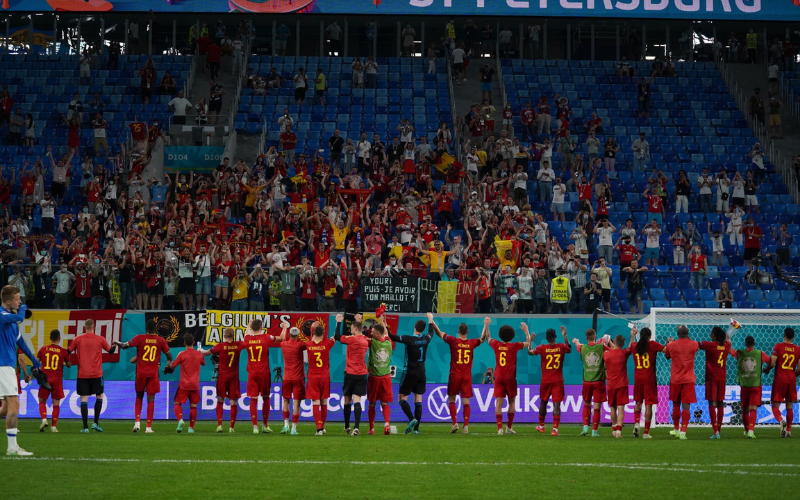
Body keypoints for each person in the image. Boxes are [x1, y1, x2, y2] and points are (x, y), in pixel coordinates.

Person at [0, 286, 41, 455]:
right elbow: (20, 317)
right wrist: (23, 309)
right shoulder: (2, 315)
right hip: (3, 365)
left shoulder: (12, 322)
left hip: (7, 365)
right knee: (14, 404)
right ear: (8, 301)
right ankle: (12, 448)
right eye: (18, 299)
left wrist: (35, 361)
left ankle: (12, 447)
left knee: (4, 409)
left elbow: (22, 343)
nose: (20, 302)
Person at [430, 318, 487, 434]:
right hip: (466, 376)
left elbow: (438, 332)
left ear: (458, 331)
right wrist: (485, 325)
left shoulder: (453, 341)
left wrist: (431, 320)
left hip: (454, 375)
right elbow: (483, 338)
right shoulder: (471, 343)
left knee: (452, 399)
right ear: (467, 332)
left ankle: (455, 423)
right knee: (466, 401)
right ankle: (465, 426)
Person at [115, 319, 171, 433]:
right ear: (156, 329)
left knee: (139, 396)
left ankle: (137, 423)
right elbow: (168, 355)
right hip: (153, 374)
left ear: (146, 328)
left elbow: (125, 346)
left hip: (140, 373)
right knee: (151, 399)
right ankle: (148, 427)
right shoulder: (160, 340)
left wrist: (117, 342)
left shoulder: (139, 338)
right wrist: (169, 363)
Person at [68, 318, 117, 433]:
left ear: (85, 327)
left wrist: (67, 361)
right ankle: (95, 423)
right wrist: (114, 345)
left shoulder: (77, 339)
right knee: (99, 396)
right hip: (96, 374)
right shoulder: (100, 339)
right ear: (94, 327)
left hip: (82, 374)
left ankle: (85, 427)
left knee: (83, 399)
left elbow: (68, 351)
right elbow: (111, 351)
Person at [389, 314, 436, 434]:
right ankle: (416, 429)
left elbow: (392, 337)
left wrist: (385, 325)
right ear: (423, 329)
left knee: (401, 398)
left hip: (409, 372)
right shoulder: (426, 339)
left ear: (415, 327)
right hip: (421, 372)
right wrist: (430, 318)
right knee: (418, 399)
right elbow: (432, 332)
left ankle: (412, 419)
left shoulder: (409, 339)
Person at [485, 320, 530, 435]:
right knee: (512, 402)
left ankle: (499, 428)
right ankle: (509, 427)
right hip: (510, 378)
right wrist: (526, 330)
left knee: (499, 403)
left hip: (499, 377)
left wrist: (486, 324)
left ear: (500, 335)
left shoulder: (496, 344)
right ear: (512, 335)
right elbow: (528, 342)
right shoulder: (514, 346)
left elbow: (488, 337)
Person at [529, 326, 571, 436]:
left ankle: (542, 426)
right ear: (555, 336)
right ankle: (555, 429)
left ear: (546, 338)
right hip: (558, 380)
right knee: (556, 405)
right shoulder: (561, 346)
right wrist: (565, 336)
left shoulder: (542, 347)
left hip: (546, 380)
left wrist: (530, 341)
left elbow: (529, 352)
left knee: (543, 402)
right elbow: (569, 349)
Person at [244, 319, 284, 434]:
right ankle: (265, 425)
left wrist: (248, 325)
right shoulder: (266, 337)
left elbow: (246, 334)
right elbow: (281, 338)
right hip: (264, 373)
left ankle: (255, 426)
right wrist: (285, 328)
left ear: (252, 328)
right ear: (261, 327)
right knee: (266, 397)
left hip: (252, 373)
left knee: (253, 399)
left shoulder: (247, 339)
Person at [334, 313, 370, 436]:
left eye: (351, 329)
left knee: (347, 399)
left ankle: (346, 426)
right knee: (357, 400)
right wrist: (358, 320)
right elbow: (363, 332)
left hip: (350, 373)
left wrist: (338, 321)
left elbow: (337, 336)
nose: (350, 331)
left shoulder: (352, 339)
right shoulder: (365, 340)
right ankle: (356, 427)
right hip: (362, 374)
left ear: (355, 329)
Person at [663, 325, 700, 439]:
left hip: (675, 379)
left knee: (675, 404)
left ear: (678, 334)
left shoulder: (671, 345)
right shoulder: (694, 344)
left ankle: (676, 429)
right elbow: (690, 343)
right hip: (688, 379)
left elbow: (667, 356)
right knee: (686, 406)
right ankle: (683, 431)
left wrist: (668, 342)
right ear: (687, 333)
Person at [729, 335, 770, 438]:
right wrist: (767, 369)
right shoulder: (760, 353)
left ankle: (747, 430)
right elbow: (771, 361)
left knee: (745, 409)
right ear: (754, 343)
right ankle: (751, 431)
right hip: (755, 385)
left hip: (744, 385)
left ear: (745, 344)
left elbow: (729, 350)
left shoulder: (739, 353)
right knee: (753, 409)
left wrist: (728, 338)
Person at [572, 329, 608, 437]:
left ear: (586, 338)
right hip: (599, 382)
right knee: (597, 407)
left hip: (587, 382)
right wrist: (607, 341)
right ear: (595, 336)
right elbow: (613, 350)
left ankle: (585, 428)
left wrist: (575, 341)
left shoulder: (583, 348)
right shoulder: (601, 347)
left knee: (586, 404)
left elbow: (578, 345)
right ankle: (594, 431)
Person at [208, 327, 245, 433]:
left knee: (220, 400)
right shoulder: (238, 345)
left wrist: (200, 350)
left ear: (224, 336)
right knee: (233, 401)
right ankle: (231, 427)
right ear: (233, 336)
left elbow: (207, 352)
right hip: (233, 377)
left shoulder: (220, 346)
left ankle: (219, 425)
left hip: (222, 377)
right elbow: (246, 341)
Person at [698, 326, 732, 439]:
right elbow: (728, 339)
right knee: (720, 403)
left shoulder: (710, 345)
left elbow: (697, 344)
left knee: (712, 403)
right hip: (722, 378)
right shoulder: (727, 346)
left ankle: (715, 431)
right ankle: (719, 431)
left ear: (713, 336)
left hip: (711, 378)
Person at [630, 326, 664, 438]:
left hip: (638, 379)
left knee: (638, 403)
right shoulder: (653, 345)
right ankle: (646, 432)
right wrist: (669, 343)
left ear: (640, 336)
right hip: (649, 380)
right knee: (649, 406)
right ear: (649, 336)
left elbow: (631, 346)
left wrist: (632, 336)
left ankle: (636, 423)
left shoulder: (635, 346)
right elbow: (666, 350)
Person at [167, 334, 205, 433]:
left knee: (177, 403)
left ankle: (180, 420)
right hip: (195, 385)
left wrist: (169, 365)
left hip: (184, 385)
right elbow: (203, 363)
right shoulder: (199, 354)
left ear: (184, 343)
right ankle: (191, 428)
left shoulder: (182, 354)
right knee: (193, 406)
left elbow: (173, 366)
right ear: (193, 342)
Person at [765, 327, 798, 438]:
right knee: (789, 406)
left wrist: (767, 369)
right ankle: (788, 430)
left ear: (784, 335)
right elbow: (799, 369)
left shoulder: (778, 347)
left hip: (780, 380)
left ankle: (780, 420)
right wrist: (793, 375)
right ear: (793, 337)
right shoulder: (798, 349)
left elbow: (773, 363)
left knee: (775, 405)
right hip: (791, 380)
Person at [36, 329, 70, 433]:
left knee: (42, 401)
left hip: (45, 379)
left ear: (50, 338)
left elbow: (36, 363)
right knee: (56, 404)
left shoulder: (43, 349)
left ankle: (44, 419)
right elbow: (69, 365)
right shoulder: (63, 351)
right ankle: (53, 427)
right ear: (59, 338)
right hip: (57, 380)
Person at [366, 315, 394, 435]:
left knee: (372, 403)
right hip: (386, 377)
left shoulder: (372, 343)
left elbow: (360, 338)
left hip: (374, 377)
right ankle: (386, 424)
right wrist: (382, 320)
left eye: (372, 332)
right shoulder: (389, 342)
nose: (370, 333)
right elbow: (386, 332)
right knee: (384, 403)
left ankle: (371, 429)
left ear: (377, 334)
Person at [306, 321, 336, 435]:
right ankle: (322, 427)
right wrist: (337, 323)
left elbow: (311, 339)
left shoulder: (309, 345)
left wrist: (312, 328)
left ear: (313, 333)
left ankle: (318, 428)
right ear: (323, 334)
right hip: (324, 377)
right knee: (324, 402)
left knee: (315, 402)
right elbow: (335, 337)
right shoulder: (327, 344)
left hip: (313, 377)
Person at [277, 326, 307, 435]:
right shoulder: (300, 345)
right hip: (298, 378)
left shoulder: (283, 344)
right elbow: (312, 343)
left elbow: (282, 338)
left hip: (287, 378)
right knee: (296, 403)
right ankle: (294, 428)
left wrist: (284, 327)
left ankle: (286, 426)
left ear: (289, 334)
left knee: (285, 401)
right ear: (298, 335)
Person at [604, 334, 632, 438]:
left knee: (612, 408)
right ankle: (619, 432)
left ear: (614, 342)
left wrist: (607, 342)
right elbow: (631, 347)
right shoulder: (624, 353)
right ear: (623, 343)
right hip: (622, 385)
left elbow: (611, 350)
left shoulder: (606, 354)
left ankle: (614, 429)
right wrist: (632, 335)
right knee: (621, 408)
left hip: (611, 385)